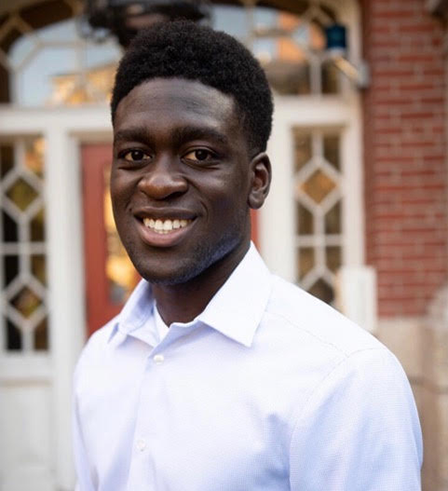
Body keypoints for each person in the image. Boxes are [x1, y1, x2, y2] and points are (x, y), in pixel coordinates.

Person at [73, 21, 422, 491]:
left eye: (198, 154)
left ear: (256, 181)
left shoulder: (345, 378)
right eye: (134, 154)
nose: (157, 182)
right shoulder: (101, 359)